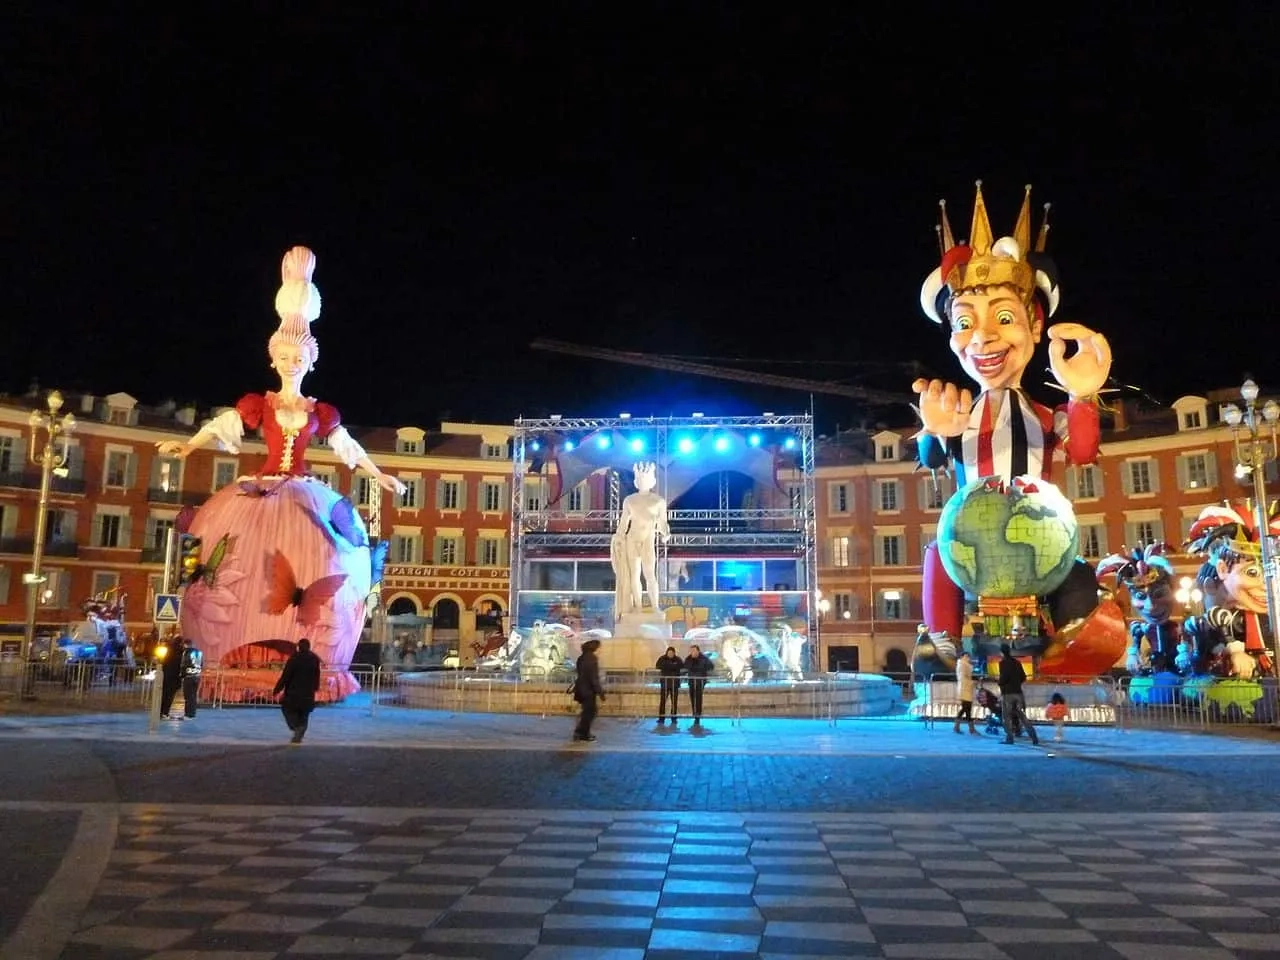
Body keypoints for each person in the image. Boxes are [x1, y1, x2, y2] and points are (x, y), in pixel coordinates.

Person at [156, 247, 405, 701]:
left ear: (311, 361)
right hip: (261, 487)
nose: (292, 363)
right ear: (273, 357)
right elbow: (222, 427)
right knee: (233, 562)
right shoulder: (262, 404)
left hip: (307, 494)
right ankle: (224, 663)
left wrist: (379, 475)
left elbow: (347, 446)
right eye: (284, 355)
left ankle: (315, 665)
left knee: (326, 555)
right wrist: (187, 446)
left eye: (299, 357)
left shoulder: (318, 411)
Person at [913, 184, 1118, 652]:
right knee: (939, 559)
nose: (982, 339)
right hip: (971, 540)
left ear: (1036, 325)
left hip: (1042, 537)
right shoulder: (958, 413)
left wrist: (1083, 396)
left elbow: (1083, 449)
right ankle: (942, 640)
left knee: (1075, 575)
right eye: (965, 323)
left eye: (1003, 319)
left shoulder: (1045, 416)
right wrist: (931, 432)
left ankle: (1071, 637)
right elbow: (932, 457)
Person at [274, 637, 322, 744]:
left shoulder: (294, 658)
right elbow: (316, 675)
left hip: (293, 693)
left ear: (298, 647)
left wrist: (277, 689)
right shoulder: (314, 659)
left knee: (288, 709)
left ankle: (296, 728)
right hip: (308, 694)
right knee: (304, 714)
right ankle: (299, 732)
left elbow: (286, 676)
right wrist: (315, 688)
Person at [997, 643, 1039, 746]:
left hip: (1008, 694)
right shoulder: (1017, 662)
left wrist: (999, 682)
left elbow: (1004, 678)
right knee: (1022, 717)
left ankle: (1009, 738)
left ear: (1002, 652)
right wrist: (1016, 683)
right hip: (1018, 693)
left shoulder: (1003, 663)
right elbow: (1023, 677)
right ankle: (1033, 736)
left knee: (1006, 717)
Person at [572, 638, 605, 742]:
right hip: (588, 690)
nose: (600, 650)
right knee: (590, 712)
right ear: (594, 648)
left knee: (587, 712)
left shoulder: (581, 657)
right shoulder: (592, 658)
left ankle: (580, 732)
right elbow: (593, 677)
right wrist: (600, 692)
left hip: (581, 689)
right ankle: (583, 733)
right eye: (599, 648)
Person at [684, 643, 712, 724]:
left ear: (698, 651)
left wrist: (700, 667)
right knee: (692, 697)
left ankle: (698, 715)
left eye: (694, 650)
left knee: (698, 698)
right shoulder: (689, 658)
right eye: (691, 651)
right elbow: (686, 666)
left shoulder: (703, 658)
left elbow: (710, 666)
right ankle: (694, 712)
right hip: (692, 681)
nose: (693, 652)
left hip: (700, 681)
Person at [952, 650, 978, 735]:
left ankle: (960, 726)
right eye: (966, 656)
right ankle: (970, 728)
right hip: (964, 688)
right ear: (961, 657)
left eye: (968, 656)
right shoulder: (962, 665)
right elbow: (963, 678)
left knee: (966, 709)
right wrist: (972, 683)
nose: (967, 658)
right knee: (966, 708)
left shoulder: (964, 665)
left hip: (966, 688)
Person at [655, 646, 683, 724]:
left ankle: (673, 717)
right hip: (665, 683)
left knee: (674, 702)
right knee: (663, 701)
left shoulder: (678, 659)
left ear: (674, 653)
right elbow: (658, 665)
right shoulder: (662, 659)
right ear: (667, 652)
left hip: (675, 684)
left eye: (672, 653)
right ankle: (661, 717)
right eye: (669, 653)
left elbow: (682, 666)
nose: (670, 654)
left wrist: (669, 666)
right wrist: (672, 666)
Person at [159, 636, 185, 720]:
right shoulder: (181, 652)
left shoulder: (169, 650)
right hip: (175, 677)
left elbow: (164, 663)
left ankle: (161, 712)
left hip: (166, 676)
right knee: (170, 696)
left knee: (164, 695)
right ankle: (165, 713)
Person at [179, 639, 204, 719]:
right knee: (193, 696)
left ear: (185, 644)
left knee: (188, 696)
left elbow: (184, 664)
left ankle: (188, 714)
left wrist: (182, 675)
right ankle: (192, 714)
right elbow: (201, 664)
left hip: (188, 677)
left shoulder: (186, 652)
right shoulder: (200, 653)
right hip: (197, 676)